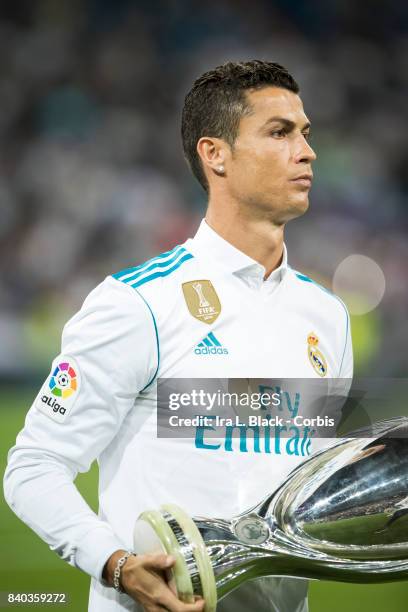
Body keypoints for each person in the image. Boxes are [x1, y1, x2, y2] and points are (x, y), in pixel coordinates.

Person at [4, 60, 353, 612]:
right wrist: (116, 565)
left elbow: (311, 484)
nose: (306, 151)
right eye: (280, 132)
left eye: (305, 133)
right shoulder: (138, 303)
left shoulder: (326, 316)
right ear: (215, 154)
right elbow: (34, 466)